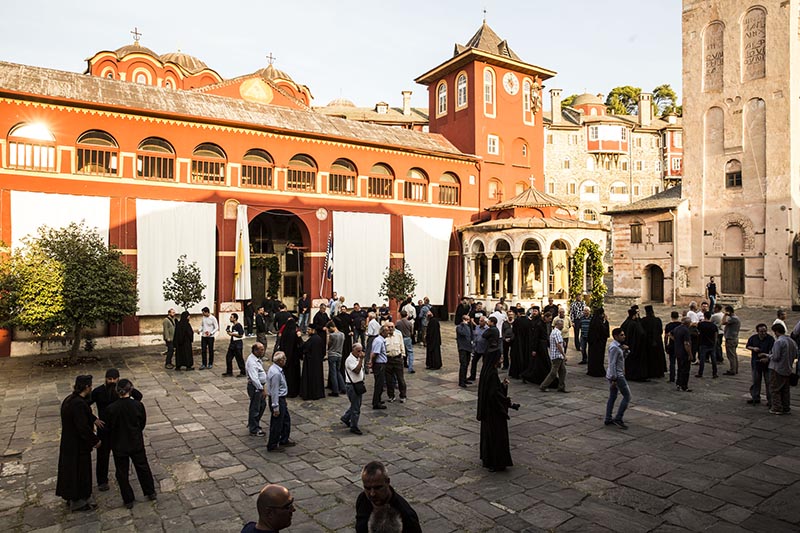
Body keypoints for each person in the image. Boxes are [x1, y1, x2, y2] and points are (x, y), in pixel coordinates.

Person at [104, 379, 156, 509]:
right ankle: (150, 492)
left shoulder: (111, 409)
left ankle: (128, 499)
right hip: (135, 441)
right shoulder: (137, 405)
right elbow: (142, 422)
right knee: (142, 467)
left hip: (118, 444)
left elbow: (108, 427)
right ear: (130, 390)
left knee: (122, 472)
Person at [89, 368, 142, 492]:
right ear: (106, 379)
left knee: (121, 455)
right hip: (104, 427)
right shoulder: (98, 391)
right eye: (109, 379)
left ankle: (122, 478)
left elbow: (138, 396)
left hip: (120, 429)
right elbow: (85, 405)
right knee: (102, 456)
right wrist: (94, 419)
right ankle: (102, 481)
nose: (112, 381)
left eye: (114, 379)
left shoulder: (121, 390)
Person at [57, 375, 100, 512]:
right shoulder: (78, 404)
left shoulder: (70, 400)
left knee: (70, 471)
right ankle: (79, 499)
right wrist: (95, 440)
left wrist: (93, 419)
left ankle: (72, 496)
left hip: (68, 443)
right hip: (78, 445)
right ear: (87, 387)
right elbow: (82, 427)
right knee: (80, 471)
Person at [356, 461, 421, 533]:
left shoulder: (407, 516)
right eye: (367, 488)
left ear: (387, 482)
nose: (372, 493)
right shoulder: (362, 499)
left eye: (378, 487)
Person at [476, 350, 514, 472]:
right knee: (496, 436)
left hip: (488, 412)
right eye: (500, 357)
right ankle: (496, 461)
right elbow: (494, 395)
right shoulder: (492, 374)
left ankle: (489, 459)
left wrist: (501, 385)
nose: (502, 359)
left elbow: (492, 390)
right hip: (494, 413)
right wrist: (507, 401)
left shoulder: (486, 372)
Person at [762, 322, 797, 415]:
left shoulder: (779, 342)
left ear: (776, 332)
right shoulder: (791, 341)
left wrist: (767, 356)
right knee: (785, 389)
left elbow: (776, 357)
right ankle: (786, 407)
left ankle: (777, 407)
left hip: (777, 368)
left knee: (775, 389)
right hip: (788, 367)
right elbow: (796, 354)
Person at [266, 352, 295, 452]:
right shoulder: (276, 373)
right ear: (280, 361)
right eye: (284, 359)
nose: (285, 360)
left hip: (281, 399)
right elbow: (274, 391)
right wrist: (276, 407)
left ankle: (284, 439)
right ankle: (272, 444)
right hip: (277, 399)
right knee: (277, 423)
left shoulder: (276, 369)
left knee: (286, 420)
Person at [605, 328, 631, 429]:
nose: (624, 336)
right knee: (627, 396)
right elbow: (612, 364)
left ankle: (608, 418)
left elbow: (622, 358)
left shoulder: (619, 346)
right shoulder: (614, 348)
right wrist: (614, 379)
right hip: (617, 376)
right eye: (621, 335)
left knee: (613, 396)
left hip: (616, 374)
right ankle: (618, 418)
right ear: (616, 336)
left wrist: (626, 350)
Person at [745, 323, 774, 406]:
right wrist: (753, 348)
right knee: (756, 381)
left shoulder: (770, 339)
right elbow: (748, 346)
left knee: (768, 382)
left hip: (767, 364)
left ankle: (770, 400)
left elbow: (773, 351)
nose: (763, 333)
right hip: (756, 362)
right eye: (761, 331)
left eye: (765, 331)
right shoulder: (753, 338)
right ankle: (755, 397)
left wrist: (767, 357)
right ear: (757, 332)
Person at [342, 343, 366, 435]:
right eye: (358, 351)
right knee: (356, 407)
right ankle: (354, 426)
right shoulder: (350, 360)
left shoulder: (356, 358)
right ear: (353, 350)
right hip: (352, 386)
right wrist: (361, 360)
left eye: (361, 350)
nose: (360, 353)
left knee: (356, 404)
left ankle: (345, 417)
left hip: (358, 384)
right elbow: (356, 370)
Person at [245, 342, 268, 436]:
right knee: (256, 407)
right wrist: (261, 389)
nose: (263, 351)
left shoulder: (256, 359)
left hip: (259, 386)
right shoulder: (252, 362)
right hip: (255, 387)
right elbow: (254, 378)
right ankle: (254, 428)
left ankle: (253, 423)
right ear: (255, 350)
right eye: (261, 349)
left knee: (261, 405)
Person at [298, 327, 326, 400]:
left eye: (309, 330)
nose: (307, 331)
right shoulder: (319, 339)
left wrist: (299, 338)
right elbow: (323, 351)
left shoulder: (312, 339)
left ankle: (310, 394)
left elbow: (304, 347)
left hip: (310, 362)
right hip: (318, 362)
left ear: (313, 330)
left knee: (310, 378)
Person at [540, 318, 567, 392]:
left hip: (556, 355)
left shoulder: (554, 332)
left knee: (563, 371)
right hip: (557, 355)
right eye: (562, 325)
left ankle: (561, 386)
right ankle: (543, 386)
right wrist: (564, 355)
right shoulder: (557, 333)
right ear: (559, 325)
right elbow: (558, 345)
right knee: (553, 373)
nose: (563, 326)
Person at [621, 307, 648, 381]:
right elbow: (641, 334)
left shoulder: (626, 323)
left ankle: (629, 374)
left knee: (629, 362)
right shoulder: (635, 324)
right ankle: (636, 376)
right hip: (636, 347)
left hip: (628, 346)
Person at [278, 317, 302, 398]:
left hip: (285, 358)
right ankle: (294, 391)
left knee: (287, 376)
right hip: (294, 359)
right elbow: (300, 345)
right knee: (294, 376)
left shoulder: (284, 333)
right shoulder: (294, 334)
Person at [640, 305, 666, 379]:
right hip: (657, 341)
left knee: (649, 358)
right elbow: (660, 331)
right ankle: (658, 372)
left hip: (648, 342)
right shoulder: (657, 320)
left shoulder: (644, 320)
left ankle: (650, 372)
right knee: (657, 358)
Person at [385, 322, 407, 403]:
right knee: (389, 380)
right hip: (388, 360)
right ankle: (391, 396)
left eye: (392, 327)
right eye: (389, 327)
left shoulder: (398, 335)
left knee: (400, 379)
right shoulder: (384, 337)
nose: (390, 328)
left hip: (398, 359)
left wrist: (403, 355)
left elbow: (402, 345)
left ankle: (403, 395)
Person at [509, 310, 533, 380]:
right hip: (526, 342)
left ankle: (516, 373)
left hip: (517, 342)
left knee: (517, 357)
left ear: (518, 313)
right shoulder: (528, 321)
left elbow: (514, 331)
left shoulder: (517, 321)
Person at [369, 325, 389, 409]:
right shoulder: (379, 341)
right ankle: (376, 402)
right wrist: (372, 363)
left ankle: (378, 399)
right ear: (382, 332)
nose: (388, 332)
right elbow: (375, 353)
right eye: (387, 331)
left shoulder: (380, 340)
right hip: (379, 365)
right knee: (379, 384)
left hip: (380, 364)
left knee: (380, 384)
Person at [587, 308, 609, 377]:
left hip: (593, 344)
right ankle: (597, 371)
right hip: (599, 344)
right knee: (598, 358)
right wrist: (606, 322)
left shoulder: (593, 321)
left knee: (592, 357)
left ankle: (591, 370)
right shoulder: (599, 322)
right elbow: (604, 332)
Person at [222, 313, 246, 377]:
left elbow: (241, 334)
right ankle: (229, 372)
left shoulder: (239, 326)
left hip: (237, 345)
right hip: (232, 345)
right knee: (228, 358)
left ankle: (243, 372)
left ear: (235, 318)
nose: (230, 318)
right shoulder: (233, 326)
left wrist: (233, 334)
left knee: (239, 359)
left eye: (231, 317)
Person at [696, 311, 719, 378]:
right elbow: (716, 335)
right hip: (711, 343)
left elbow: (698, 332)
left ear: (704, 316)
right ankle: (714, 373)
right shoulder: (714, 326)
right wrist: (715, 343)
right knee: (713, 359)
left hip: (703, 343)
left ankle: (700, 373)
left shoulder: (701, 324)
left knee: (702, 359)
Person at [326, 321, 346, 397]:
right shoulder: (342, 334)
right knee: (338, 371)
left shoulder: (332, 335)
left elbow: (329, 345)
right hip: (339, 354)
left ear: (331, 327)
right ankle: (343, 387)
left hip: (332, 354)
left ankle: (335, 390)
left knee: (333, 373)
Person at [674, 316, 693, 392]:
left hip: (677, 351)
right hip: (684, 353)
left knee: (680, 369)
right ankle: (684, 386)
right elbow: (686, 343)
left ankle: (678, 384)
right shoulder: (686, 331)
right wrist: (690, 354)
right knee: (685, 370)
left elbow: (670, 334)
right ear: (688, 323)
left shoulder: (677, 328)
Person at [468, 316, 489, 383]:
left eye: (481, 321)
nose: (480, 322)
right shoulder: (477, 327)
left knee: (485, 363)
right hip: (477, 348)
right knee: (474, 362)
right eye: (479, 320)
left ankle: (484, 376)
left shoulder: (488, 329)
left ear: (485, 322)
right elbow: (475, 336)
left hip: (484, 348)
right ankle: (472, 376)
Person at [456, 314, 474, 388]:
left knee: (466, 364)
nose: (468, 321)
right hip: (462, 348)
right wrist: (464, 325)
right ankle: (461, 381)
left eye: (468, 319)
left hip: (468, 348)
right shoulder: (459, 327)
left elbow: (471, 335)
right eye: (466, 319)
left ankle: (464, 378)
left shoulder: (469, 327)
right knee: (463, 364)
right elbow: (462, 333)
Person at [722, 306, 741, 375]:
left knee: (731, 355)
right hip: (734, 338)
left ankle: (732, 369)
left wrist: (725, 315)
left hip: (731, 339)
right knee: (734, 355)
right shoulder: (735, 318)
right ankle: (735, 369)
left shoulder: (733, 319)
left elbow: (723, 322)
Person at [664, 311, 681, 383]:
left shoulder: (668, 326)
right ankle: (680, 377)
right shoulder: (681, 325)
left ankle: (672, 377)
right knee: (680, 362)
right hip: (680, 346)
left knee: (672, 362)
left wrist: (665, 345)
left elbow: (666, 337)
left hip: (672, 345)